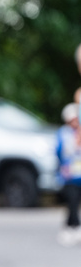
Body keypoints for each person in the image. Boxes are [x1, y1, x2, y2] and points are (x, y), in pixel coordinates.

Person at [56, 103, 81, 246]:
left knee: (75, 203)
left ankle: (70, 227)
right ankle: (73, 227)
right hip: (70, 176)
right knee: (72, 202)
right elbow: (60, 153)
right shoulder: (64, 133)